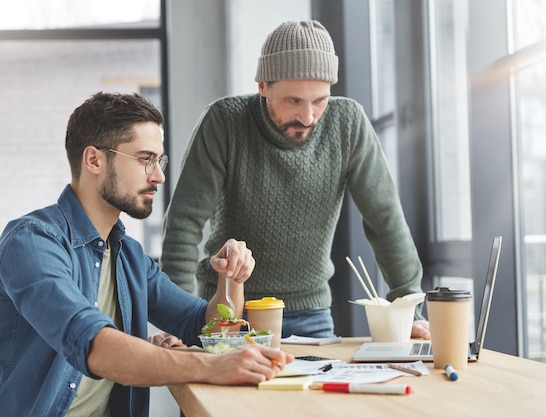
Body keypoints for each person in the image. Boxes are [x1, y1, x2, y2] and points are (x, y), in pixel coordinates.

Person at [0, 92, 292, 417]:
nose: (159, 176)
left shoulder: (128, 255)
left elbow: (203, 327)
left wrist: (230, 278)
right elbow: (93, 345)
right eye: (145, 159)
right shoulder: (33, 243)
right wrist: (210, 365)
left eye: (159, 161)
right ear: (94, 160)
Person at [160, 20, 430, 340]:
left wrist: (409, 311)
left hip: (310, 314)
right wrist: (174, 319)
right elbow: (184, 224)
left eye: (320, 100)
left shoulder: (348, 123)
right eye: (294, 101)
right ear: (263, 86)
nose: (308, 117)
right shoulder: (224, 123)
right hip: (229, 311)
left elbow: (386, 220)